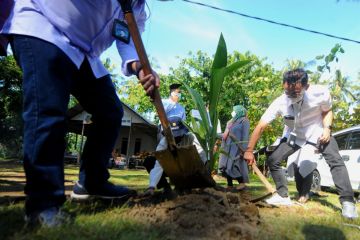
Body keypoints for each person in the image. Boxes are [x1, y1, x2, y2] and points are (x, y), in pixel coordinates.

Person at [1, 0, 160, 227]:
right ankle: (43, 204)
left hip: (84, 54)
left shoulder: (137, 8)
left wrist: (141, 68)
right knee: (48, 112)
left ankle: (91, 184)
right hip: (44, 27)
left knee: (110, 112)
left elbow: (128, 41)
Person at [244, 68, 358, 219]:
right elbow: (261, 126)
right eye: (287, 91)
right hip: (296, 135)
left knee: (335, 160)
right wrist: (249, 150)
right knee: (273, 159)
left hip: (317, 131)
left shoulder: (319, 93)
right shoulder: (280, 102)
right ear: (284, 86)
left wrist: (327, 128)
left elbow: (327, 111)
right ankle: (283, 195)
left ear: (306, 86)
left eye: (295, 92)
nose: (291, 95)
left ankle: (348, 202)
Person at [143, 83, 193, 196]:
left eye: (179, 92)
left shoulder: (182, 109)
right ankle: (164, 187)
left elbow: (184, 123)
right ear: (171, 92)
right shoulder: (164, 103)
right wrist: (151, 186)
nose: (178, 94)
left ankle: (182, 187)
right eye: (176, 91)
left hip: (180, 137)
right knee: (156, 160)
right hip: (166, 133)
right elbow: (160, 110)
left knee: (182, 161)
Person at [218, 105, 250, 191]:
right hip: (227, 146)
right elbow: (224, 135)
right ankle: (229, 185)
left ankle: (242, 183)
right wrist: (214, 134)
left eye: (234, 110)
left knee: (233, 165)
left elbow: (245, 136)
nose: (233, 112)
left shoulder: (244, 121)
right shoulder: (230, 122)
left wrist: (244, 149)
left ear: (240, 111)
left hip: (237, 147)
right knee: (225, 165)